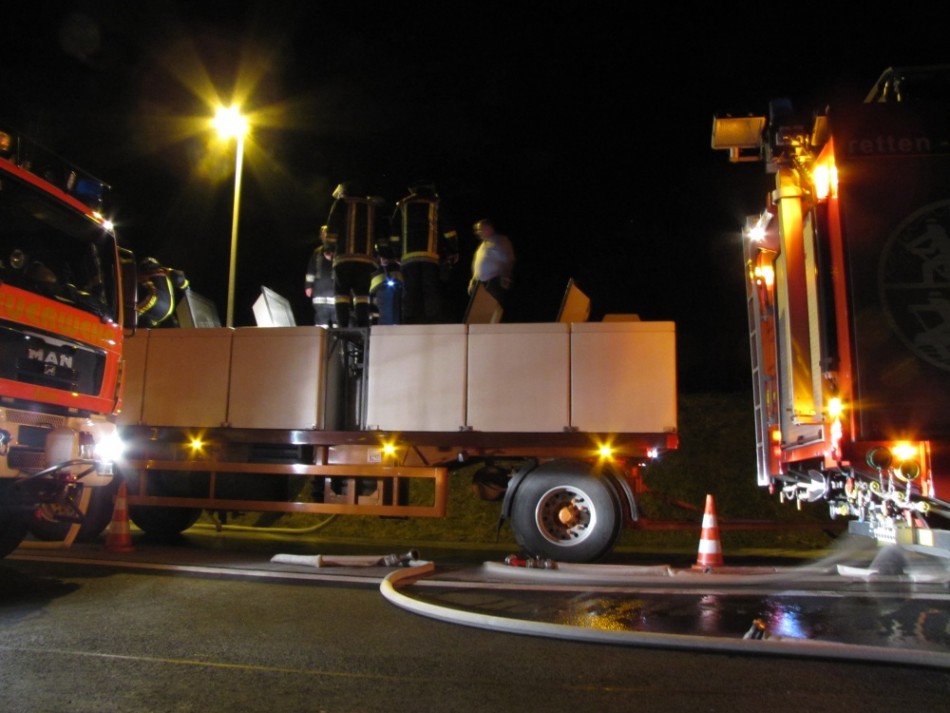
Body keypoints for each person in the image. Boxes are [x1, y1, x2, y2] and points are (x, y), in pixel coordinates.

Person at [388, 180, 459, 324]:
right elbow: (448, 231)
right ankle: (433, 321)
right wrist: (453, 250)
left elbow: (394, 234)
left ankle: (408, 322)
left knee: (410, 290)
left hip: (408, 257)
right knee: (431, 289)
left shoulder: (402, 205)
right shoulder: (436, 203)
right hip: (431, 255)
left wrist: (396, 254)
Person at [321, 181, 386, 328]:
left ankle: (342, 325)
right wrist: (384, 253)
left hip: (344, 258)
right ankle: (362, 324)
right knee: (362, 295)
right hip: (366, 260)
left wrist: (328, 248)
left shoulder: (341, 204)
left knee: (341, 294)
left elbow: (333, 227)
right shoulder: (373, 207)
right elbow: (381, 234)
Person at [468, 218, 515, 309]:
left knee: (493, 309)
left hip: (494, 282)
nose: (478, 232)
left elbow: (509, 259)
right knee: (482, 311)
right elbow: (477, 266)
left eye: (481, 229)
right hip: (481, 285)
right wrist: (473, 280)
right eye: (478, 230)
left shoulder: (501, 241)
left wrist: (506, 276)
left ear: (489, 228)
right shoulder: (482, 246)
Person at [136, 257, 190, 327]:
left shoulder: (141, 274)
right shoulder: (163, 270)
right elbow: (178, 278)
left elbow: (178, 278)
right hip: (165, 308)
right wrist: (185, 286)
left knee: (132, 313)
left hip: (154, 300)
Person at [304, 240, 335, 327]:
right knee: (321, 323)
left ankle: (339, 339)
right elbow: (311, 270)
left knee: (338, 323)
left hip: (335, 295)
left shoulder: (341, 252)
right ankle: (321, 339)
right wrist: (308, 286)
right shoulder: (317, 252)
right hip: (320, 294)